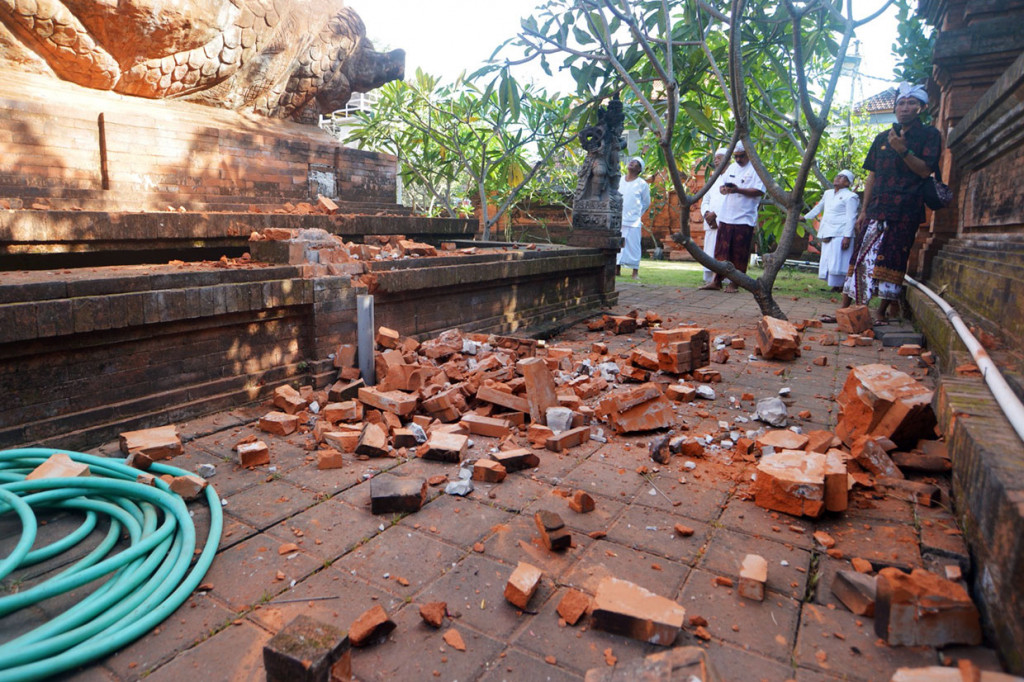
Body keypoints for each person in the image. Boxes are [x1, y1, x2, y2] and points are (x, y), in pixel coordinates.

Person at [841, 82, 942, 323]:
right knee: (861, 256)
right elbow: (872, 176)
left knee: (893, 259)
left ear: (922, 107)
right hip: (877, 207)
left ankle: (880, 311)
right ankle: (847, 308)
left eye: (911, 103)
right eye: (901, 103)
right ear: (895, 108)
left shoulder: (930, 135)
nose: (905, 108)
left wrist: (902, 150)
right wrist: (863, 210)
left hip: (906, 209)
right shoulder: (881, 138)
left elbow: (925, 171)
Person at [702, 141, 765, 292]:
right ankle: (716, 281)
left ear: (749, 154)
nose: (738, 160)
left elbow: (759, 191)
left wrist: (738, 190)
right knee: (721, 252)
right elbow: (723, 186)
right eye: (735, 156)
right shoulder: (732, 167)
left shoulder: (757, 169)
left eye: (741, 156)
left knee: (739, 252)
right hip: (726, 216)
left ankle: (734, 283)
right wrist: (724, 189)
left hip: (744, 217)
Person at [803, 170, 859, 291]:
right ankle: (834, 286)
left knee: (840, 261)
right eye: (837, 175)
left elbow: (851, 218)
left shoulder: (851, 197)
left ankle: (842, 286)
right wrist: (805, 217)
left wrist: (847, 237)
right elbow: (819, 207)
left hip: (841, 233)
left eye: (842, 177)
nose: (838, 178)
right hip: (828, 230)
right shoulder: (828, 193)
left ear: (847, 183)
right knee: (830, 260)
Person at [616, 156, 651, 280]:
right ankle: (617, 269)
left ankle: (635, 271)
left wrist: (637, 214)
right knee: (618, 245)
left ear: (639, 169)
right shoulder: (620, 180)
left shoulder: (642, 184)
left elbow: (646, 203)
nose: (632, 163)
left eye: (636, 163)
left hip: (634, 221)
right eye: (631, 161)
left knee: (634, 246)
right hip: (619, 219)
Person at [700, 147, 729, 284]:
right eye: (715, 158)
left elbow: (731, 200)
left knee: (724, 251)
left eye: (719, 158)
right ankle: (710, 278)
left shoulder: (732, 176)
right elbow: (705, 200)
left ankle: (723, 279)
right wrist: (706, 214)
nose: (716, 161)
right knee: (710, 250)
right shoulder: (713, 179)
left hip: (725, 220)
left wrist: (716, 215)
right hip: (710, 222)